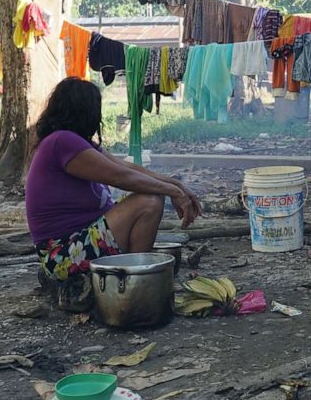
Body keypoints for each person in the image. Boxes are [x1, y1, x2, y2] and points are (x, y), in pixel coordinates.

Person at [25, 78, 202, 309]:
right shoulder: (61, 142)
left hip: (79, 241)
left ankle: (134, 277)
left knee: (150, 196)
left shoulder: (73, 142)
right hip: (63, 254)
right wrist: (172, 191)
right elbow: (121, 178)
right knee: (148, 202)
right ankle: (136, 286)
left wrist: (177, 186)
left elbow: (128, 168)